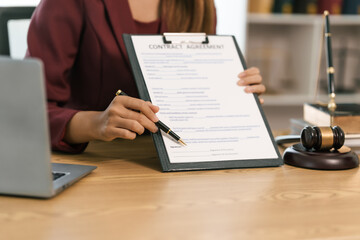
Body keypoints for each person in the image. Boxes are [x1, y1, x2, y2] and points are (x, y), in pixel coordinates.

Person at [26, 0, 266, 153]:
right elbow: (27, 114)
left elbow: (193, 98)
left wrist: (235, 98)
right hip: (93, 160)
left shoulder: (200, 6)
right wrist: (96, 124)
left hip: (169, 161)